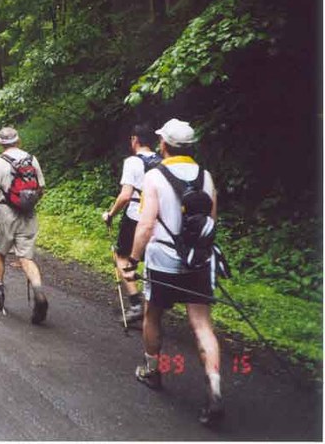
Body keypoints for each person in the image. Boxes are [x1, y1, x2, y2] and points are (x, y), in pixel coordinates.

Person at [121, 118, 223, 426]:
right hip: (198, 261)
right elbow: (211, 223)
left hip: (163, 259)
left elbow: (146, 224)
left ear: (163, 144)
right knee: (202, 324)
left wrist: (133, 260)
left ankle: (152, 371)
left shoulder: (154, 176)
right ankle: (215, 387)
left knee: (153, 314)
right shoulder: (206, 176)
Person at [0, 127, 48, 324]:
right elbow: (41, 188)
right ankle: (39, 292)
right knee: (26, 257)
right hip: (28, 214)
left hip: (5, 213)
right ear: (18, 141)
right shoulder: (31, 159)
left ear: (0, 143)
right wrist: (28, 204)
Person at [102, 124, 161, 323]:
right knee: (151, 260)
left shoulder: (132, 162)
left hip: (136, 217)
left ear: (135, 139)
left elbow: (125, 195)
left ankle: (136, 304)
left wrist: (110, 214)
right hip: (159, 219)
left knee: (122, 257)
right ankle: (153, 306)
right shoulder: (163, 161)